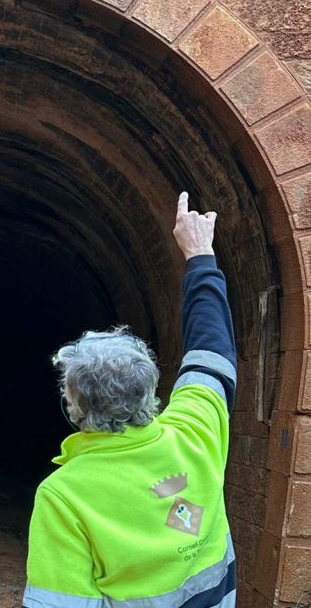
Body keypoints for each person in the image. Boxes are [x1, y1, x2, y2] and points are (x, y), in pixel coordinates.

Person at [23, 192, 237, 607]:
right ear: (150, 388)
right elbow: (213, 351)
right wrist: (200, 256)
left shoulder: (64, 495)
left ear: (74, 408)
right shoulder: (196, 433)